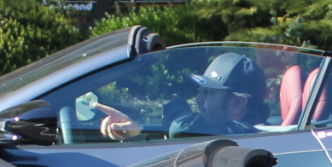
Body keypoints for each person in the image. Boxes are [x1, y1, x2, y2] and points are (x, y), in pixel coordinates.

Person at [91, 50, 270, 144]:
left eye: (208, 92)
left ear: (237, 103)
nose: (198, 99)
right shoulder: (221, 133)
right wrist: (137, 133)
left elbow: (181, 127)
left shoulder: (248, 135)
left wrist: (177, 107)